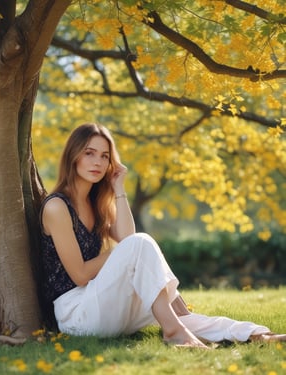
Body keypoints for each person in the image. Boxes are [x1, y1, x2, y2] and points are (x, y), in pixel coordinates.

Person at [39, 123, 286, 348]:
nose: (98, 162)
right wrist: (120, 256)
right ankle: (173, 331)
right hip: (77, 316)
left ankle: (255, 335)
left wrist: (119, 188)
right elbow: (80, 274)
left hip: (103, 306)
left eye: (105, 156)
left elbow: (127, 237)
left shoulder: (95, 203)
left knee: (176, 313)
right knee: (141, 246)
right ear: (73, 156)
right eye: (89, 153)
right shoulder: (57, 207)